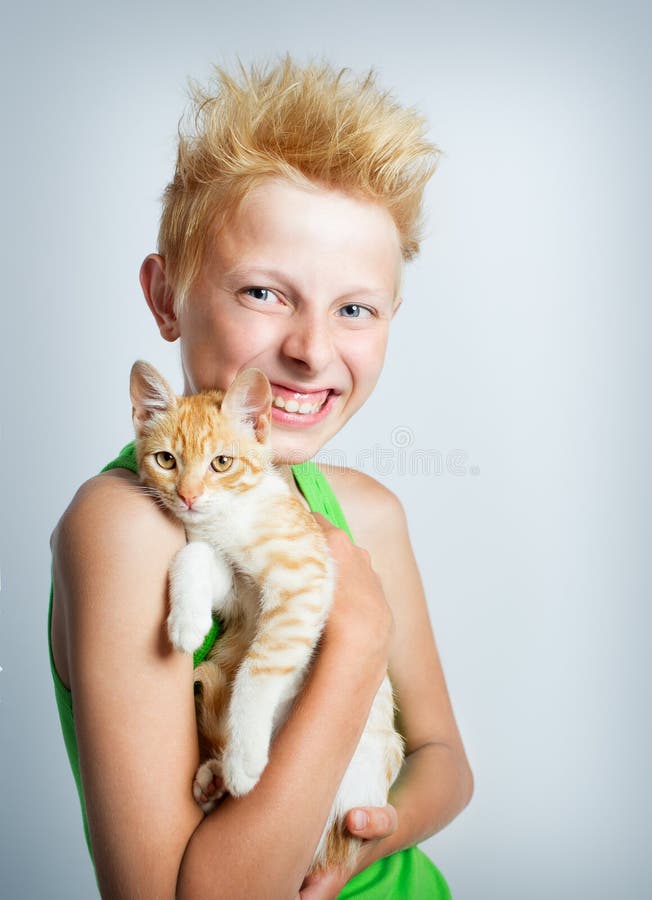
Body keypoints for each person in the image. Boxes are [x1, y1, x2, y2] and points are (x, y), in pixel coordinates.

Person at [49, 58, 474, 899]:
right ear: (166, 297)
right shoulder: (129, 522)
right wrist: (353, 643)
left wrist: (358, 843)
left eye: (355, 308)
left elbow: (443, 762)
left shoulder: (366, 511)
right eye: (263, 293)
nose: (312, 350)